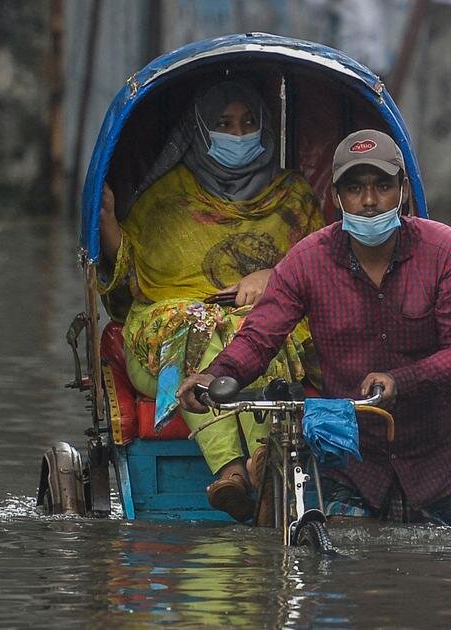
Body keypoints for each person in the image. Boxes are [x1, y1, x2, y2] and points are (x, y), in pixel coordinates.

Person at [177, 129, 451, 528]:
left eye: (383, 186)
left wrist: (401, 380)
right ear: (338, 198)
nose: (370, 201)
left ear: (404, 191)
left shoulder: (447, 252)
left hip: (433, 462)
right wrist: (218, 375)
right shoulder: (307, 260)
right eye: (355, 188)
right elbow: (260, 336)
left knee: (435, 580)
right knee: (343, 574)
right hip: (351, 462)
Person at [98, 79, 326, 522]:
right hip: (164, 344)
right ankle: (235, 471)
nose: (237, 135)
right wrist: (107, 225)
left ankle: (257, 468)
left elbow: (324, 268)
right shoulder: (165, 199)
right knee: (202, 326)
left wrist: (275, 276)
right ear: (201, 130)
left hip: (264, 328)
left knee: (253, 329)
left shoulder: (292, 197)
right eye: (223, 124)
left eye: (248, 123)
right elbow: (129, 286)